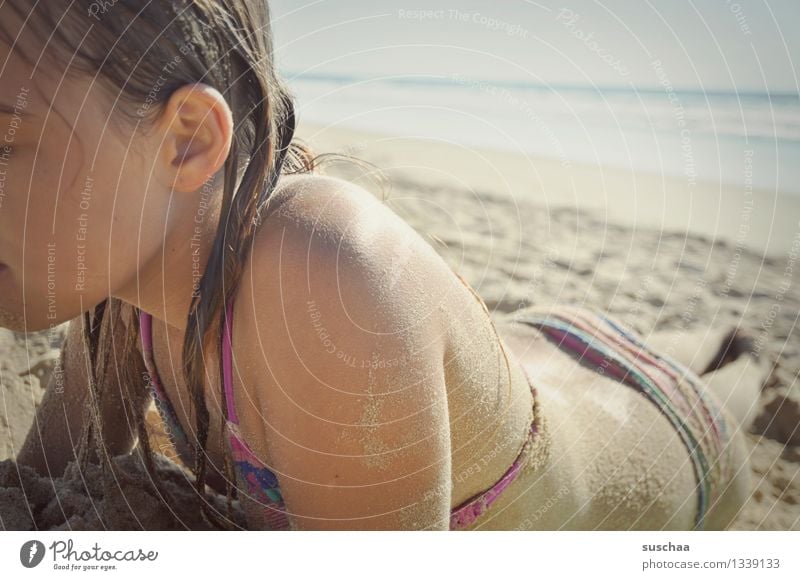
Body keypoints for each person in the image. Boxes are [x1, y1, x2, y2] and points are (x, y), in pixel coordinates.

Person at [3, 1, 760, 531]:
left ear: (188, 142)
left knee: (732, 376)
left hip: (669, 439)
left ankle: (742, 360)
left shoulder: (325, 276)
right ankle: (696, 337)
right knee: (621, 342)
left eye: (5, 144)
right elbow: (33, 489)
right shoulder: (117, 299)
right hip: (541, 341)